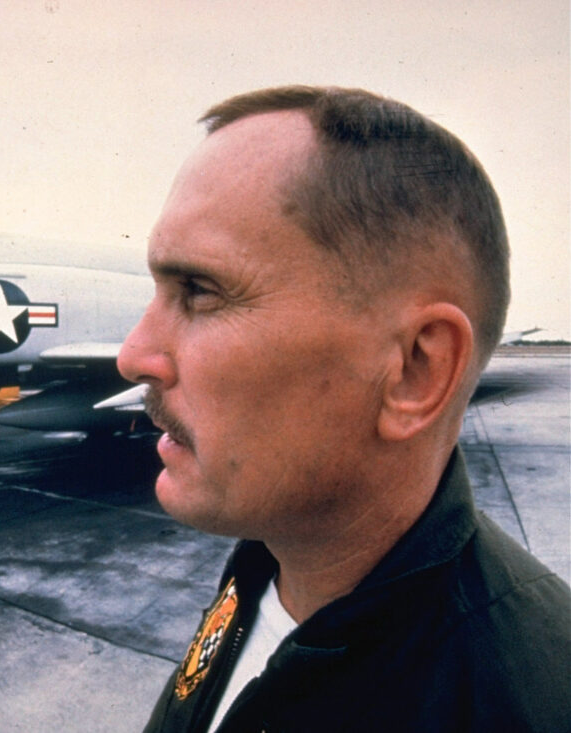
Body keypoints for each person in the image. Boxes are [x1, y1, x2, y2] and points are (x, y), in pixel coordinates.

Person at [116, 86, 570, 732]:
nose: (134, 355)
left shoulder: (531, 704)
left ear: (415, 370)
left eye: (199, 291)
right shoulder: (273, 557)